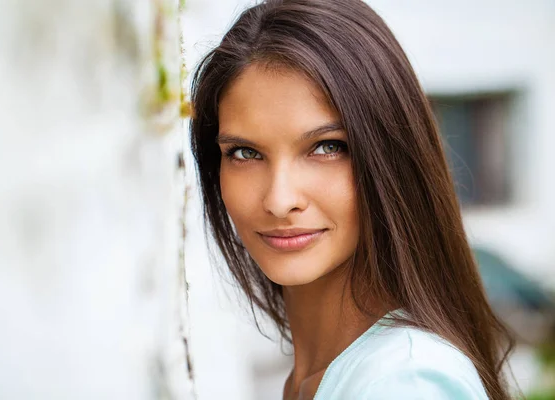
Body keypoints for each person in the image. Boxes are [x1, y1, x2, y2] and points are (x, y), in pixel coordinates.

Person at [189, 0, 514, 398]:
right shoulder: (322, 376)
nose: (279, 199)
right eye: (245, 153)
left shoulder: (404, 382)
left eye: (327, 147)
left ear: (390, 157)